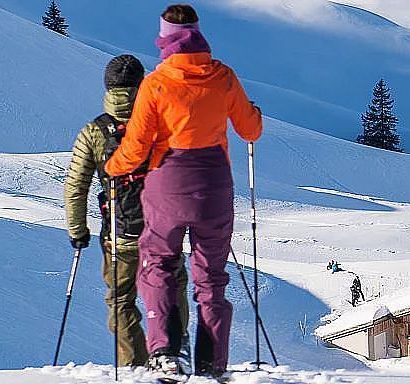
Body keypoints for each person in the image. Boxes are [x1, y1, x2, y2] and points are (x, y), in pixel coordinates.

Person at [105, 4, 262, 377]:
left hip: (167, 185)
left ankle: (165, 351)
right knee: (211, 277)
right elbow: (250, 130)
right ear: (197, 33)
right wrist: (252, 112)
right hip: (213, 187)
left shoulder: (156, 84)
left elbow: (137, 146)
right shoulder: (222, 77)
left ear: (165, 38)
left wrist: (113, 167)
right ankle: (212, 362)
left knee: (158, 262)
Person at [64, 54, 190, 367]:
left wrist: (78, 231)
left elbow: (75, 186)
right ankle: (171, 352)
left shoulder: (94, 132)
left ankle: (133, 364)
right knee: (172, 289)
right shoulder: (162, 123)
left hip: (119, 235)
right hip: (163, 231)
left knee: (121, 300)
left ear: (107, 87)